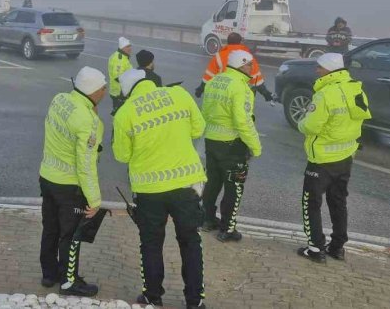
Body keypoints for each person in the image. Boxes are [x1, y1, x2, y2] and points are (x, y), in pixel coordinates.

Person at [113, 69, 207, 309]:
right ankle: (195, 301)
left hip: (149, 190)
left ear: (127, 91)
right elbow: (198, 129)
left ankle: (152, 296)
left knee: (151, 243)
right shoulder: (179, 94)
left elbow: (122, 155)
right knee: (190, 241)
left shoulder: (125, 113)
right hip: (185, 185)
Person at [39, 67, 107, 297]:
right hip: (69, 186)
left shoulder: (59, 99)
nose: (106, 91)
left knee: (50, 228)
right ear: (94, 91)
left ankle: (49, 274)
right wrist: (94, 199)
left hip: (47, 177)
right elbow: (86, 164)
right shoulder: (87, 120)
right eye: (103, 88)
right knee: (70, 234)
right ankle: (69, 282)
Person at [297, 53, 371, 263]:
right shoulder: (356, 89)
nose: (316, 70)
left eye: (319, 67)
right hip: (346, 156)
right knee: (338, 202)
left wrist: (302, 122)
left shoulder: (324, 94)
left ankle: (315, 248)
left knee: (311, 203)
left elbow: (310, 125)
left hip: (322, 159)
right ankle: (337, 247)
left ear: (329, 69)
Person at [199, 50, 262, 242]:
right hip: (232, 145)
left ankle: (207, 219)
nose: (252, 67)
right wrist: (255, 146)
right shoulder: (241, 87)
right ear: (241, 65)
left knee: (212, 182)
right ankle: (228, 228)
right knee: (234, 187)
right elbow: (243, 121)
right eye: (250, 64)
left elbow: (205, 111)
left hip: (212, 140)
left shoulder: (214, 82)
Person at [195, 32, 273, 103]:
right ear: (240, 42)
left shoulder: (219, 56)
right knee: (241, 114)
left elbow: (209, 75)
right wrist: (265, 93)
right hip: (241, 93)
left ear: (228, 42)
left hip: (223, 93)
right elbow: (256, 78)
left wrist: (200, 89)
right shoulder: (248, 57)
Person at [107, 37, 133, 114]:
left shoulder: (123, 57)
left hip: (122, 92)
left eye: (130, 46)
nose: (130, 48)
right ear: (122, 48)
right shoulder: (119, 59)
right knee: (120, 115)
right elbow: (118, 77)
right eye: (127, 47)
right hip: (119, 93)